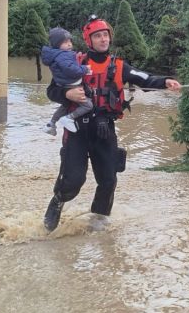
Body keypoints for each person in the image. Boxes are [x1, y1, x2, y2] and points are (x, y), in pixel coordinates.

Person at [42, 15, 181, 232]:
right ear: (89, 40)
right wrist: (67, 94)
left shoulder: (119, 66)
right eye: (98, 36)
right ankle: (58, 201)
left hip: (104, 131)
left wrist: (165, 82)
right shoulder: (73, 62)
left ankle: (98, 219)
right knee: (73, 181)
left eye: (105, 35)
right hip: (77, 131)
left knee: (108, 180)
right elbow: (51, 91)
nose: (103, 39)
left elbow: (144, 79)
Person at [40, 27, 93, 136]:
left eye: (70, 41)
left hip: (66, 84)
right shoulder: (63, 56)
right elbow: (71, 70)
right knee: (88, 105)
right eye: (65, 42)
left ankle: (51, 123)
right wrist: (84, 69)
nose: (69, 44)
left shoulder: (60, 56)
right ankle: (69, 118)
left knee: (65, 105)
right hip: (71, 85)